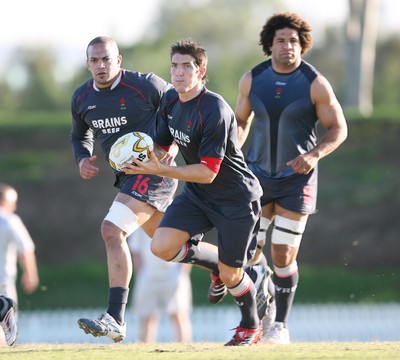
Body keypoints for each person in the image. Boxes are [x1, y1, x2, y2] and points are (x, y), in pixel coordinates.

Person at [71, 36, 220, 343]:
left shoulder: (146, 85)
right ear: (88, 64)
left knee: (111, 230)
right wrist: (82, 158)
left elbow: (182, 104)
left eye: (106, 59)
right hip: (127, 178)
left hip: (154, 172)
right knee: (165, 245)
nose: (101, 66)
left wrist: (174, 145)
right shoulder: (81, 97)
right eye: (94, 61)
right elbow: (79, 134)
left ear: (119, 60)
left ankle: (115, 317)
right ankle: (224, 262)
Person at [123, 38, 265, 346]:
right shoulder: (171, 101)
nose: (179, 73)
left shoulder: (215, 109)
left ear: (201, 71)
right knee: (160, 246)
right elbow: (161, 146)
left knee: (232, 276)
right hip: (200, 195)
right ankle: (216, 264)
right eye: (174, 66)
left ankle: (250, 325)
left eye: (187, 67)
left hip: (235, 198)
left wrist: (161, 169)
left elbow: (208, 172)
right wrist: (137, 158)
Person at [233, 12, 348, 344]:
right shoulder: (251, 79)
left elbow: (339, 128)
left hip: (297, 180)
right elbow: (240, 122)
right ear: (270, 44)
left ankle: (280, 325)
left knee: (282, 254)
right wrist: (234, 149)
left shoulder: (315, 83)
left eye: (294, 41)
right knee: (250, 251)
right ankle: (263, 311)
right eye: (281, 41)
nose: (288, 47)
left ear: (303, 46)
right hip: (256, 177)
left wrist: (313, 156)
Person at [128, 227, 192, 343]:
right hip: (148, 274)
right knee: (147, 315)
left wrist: (182, 272)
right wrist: (141, 273)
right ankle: (145, 348)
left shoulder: (176, 220)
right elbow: (136, 250)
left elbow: (189, 246)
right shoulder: (142, 225)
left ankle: (184, 347)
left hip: (174, 273)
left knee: (178, 313)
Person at [0, 183, 39, 346]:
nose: (14, 206)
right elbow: (26, 249)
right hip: (3, 282)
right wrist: (31, 274)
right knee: (5, 326)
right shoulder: (10, 220)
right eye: (12, 202)